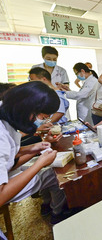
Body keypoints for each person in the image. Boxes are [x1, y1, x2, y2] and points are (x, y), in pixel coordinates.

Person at [0, 81, 73, 225]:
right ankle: (57, 213)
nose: (38, 121)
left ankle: (50, 206)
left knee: (52, 175)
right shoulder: (1, 133)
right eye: (39, 117)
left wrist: (34, 148)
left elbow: (9, 157)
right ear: (28, 109)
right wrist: (39, 164)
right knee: (55, 176)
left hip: (8, 173)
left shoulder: (7, 115)